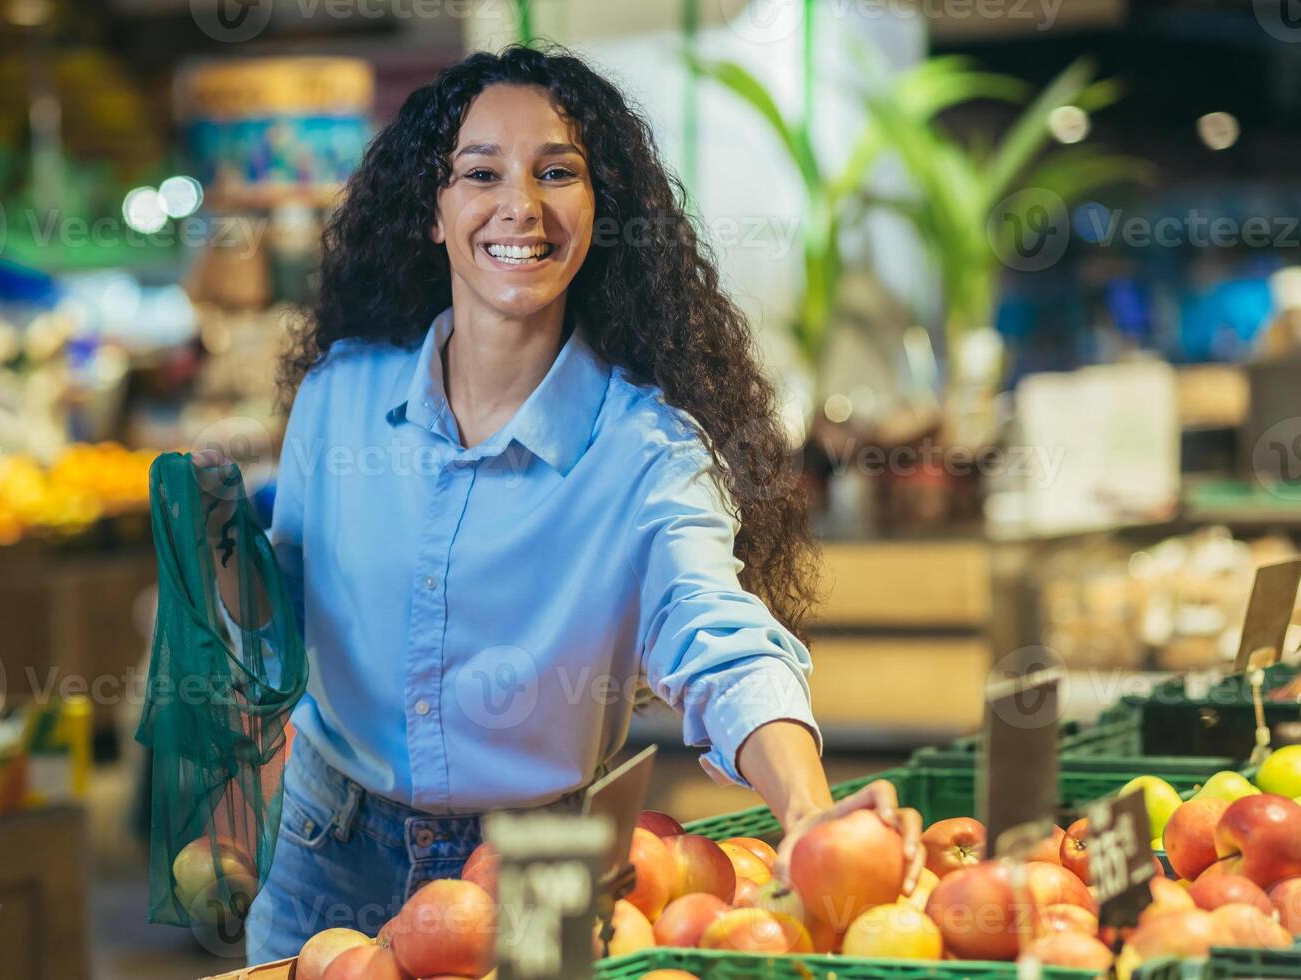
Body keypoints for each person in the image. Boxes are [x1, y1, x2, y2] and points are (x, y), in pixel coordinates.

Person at [193, 45, 925, 966]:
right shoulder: (340, 396)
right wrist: (220, 554)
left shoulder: (646, 449)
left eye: (557, 173)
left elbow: (716, 634)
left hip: (533, 866)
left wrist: (812, 817)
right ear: (434, 208)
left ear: (599, 209)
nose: (521, 207)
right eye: (480, 173)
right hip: (323, 849)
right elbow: (279, 627)